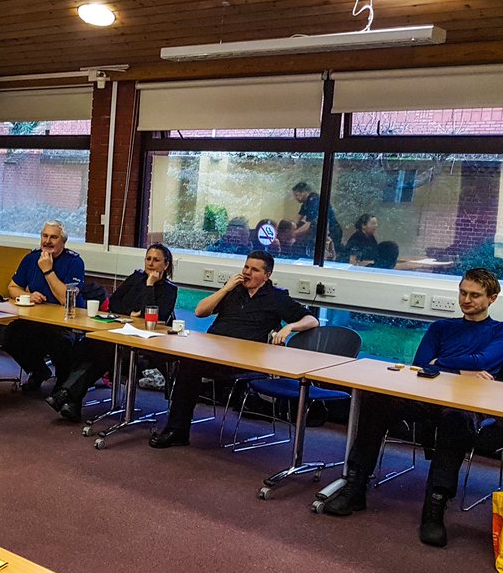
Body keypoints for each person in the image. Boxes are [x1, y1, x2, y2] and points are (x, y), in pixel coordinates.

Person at [321, 269, 503, 548]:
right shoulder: (442, 327)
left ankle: (435, 507)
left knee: (456, 419)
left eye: (475, 295)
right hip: (425, 396)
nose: (466, 300)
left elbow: (484, 360)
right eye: (463, 293)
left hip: (466, 404)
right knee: (376, 400)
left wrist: (441, 363)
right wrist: (460, 369)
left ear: (492, 298)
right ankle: (355, 485)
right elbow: (421, 363)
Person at [148, 251, 319, 449]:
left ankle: (176, 429)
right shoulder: (233, 290)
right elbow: (200, 311)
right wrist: (226, 288)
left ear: (267, 275)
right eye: (246, 267)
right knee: (187, 363)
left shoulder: (276, 297)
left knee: (189, 367)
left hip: (244, 361)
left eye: (254, 270)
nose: (247, 273)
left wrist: (289, 327)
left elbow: (312, 320)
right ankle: (177, 431)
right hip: (214, 353)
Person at [50, 244, 178, 422]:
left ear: (166, 264)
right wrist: (130, 313)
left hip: (145, 344)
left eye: (156, 260)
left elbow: (156, 315)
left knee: (104, 353)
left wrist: (150, 285)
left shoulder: (170, 290)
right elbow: (114, 302)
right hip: (120, 333)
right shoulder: (136, 278)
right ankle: (71, 401)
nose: (150, 263)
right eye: (148, 259)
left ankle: (65, 394)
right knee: (87, 344)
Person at [2, 220, 86, 394]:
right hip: (37, 318)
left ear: (63, 241)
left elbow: (65, 299)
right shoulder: (31, 258)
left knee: (60, 341)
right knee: (10, 335)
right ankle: (39, 371)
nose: (47, 241)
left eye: (53, 237)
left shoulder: (74, 262)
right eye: (44, 236)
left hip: (65, 322)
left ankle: (63, 386)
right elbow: (12, 287)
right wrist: (27, 296)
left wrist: (47, 270)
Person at [292, 181, 341, 258]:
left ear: (303, 193)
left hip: (331, 232)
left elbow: (309, 225)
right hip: (326, 232)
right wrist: (289, 227)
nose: (295, 198)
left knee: (329, 254)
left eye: (296, 195)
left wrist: (293, 233)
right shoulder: (306, 203)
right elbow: (296, 219)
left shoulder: (314, 201)